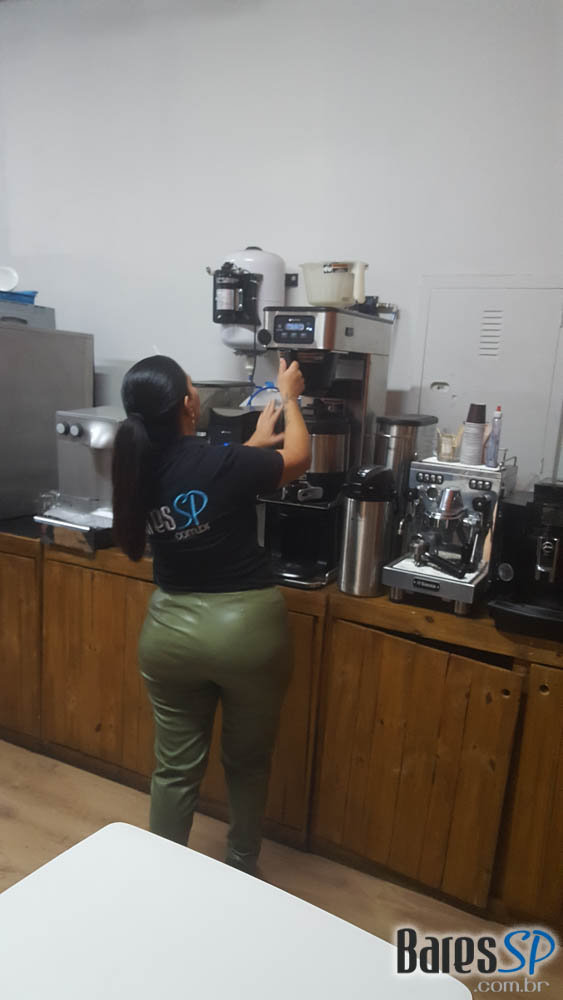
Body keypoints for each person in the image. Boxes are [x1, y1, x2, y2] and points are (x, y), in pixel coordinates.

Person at [112, 354, 310, 874]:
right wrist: (289, 397)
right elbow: (299, 458)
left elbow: (204, 479)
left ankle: (164, 875)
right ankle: (241, 870)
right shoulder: (217, 461)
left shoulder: (136, 465)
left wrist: (252, 445)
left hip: (167, 635)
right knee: (247, 764)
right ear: (187, 403)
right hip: (245, 634)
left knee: (174, 769)